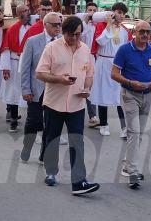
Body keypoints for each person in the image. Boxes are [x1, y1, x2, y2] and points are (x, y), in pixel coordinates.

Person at [35, 16, 100, 195]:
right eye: (72, 35)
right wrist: (59, 79)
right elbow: (40, 73)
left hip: (77, 103)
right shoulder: (52, 48)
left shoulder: (85, 49)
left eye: (78, 34)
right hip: (54, 103)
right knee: (52, 138)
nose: (75, 38)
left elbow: (89, 74)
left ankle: (79, 181)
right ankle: (51, 172)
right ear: (64, 32)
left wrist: (87, 88)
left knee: (77, 142)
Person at [111, 21, 151, 189]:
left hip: (148, 95)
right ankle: (133, 172)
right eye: (142, 32)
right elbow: (114, 73)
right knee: (134, 131)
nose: (146, 35)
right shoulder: (125, 50)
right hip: (130, 95)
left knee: (139, 133)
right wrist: (130, 82)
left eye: (148, 32)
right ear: (135, 32)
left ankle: (128, 164)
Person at [19, 11, 63, 162]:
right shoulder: (33, 41)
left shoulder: (63, 41)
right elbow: (25, 68)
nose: (58, 27)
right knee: (34, 121)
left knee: (51, 124)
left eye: (60, 24)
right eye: (55, 24)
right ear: (45, 25)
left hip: (55, 90)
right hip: (36, 89)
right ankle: (27, 147)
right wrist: (26, 89)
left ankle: (45, 153)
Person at [91, 2, 132, 137]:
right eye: (119, 12)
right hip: (103, 62)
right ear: (113, 13)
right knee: (103, 94)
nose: (121, 16)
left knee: (119, 96)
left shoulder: (125, 31)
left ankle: (124, 128)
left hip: (118, 65)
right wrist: (108, 25)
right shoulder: (101, 26)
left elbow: (128, 49)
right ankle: (103, 124)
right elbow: (100, 42)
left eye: (123, 13)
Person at [0, 5, 32, 130]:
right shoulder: (12, 29)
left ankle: (32, 120)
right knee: (14, 93)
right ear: (19, 14)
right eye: (25, 11)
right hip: (14, 63)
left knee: (31, 92)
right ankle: (13, 119)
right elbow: (5, 50)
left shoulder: (34, 28)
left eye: (28, 10)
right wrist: (6, 68)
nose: (28, 12)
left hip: (29, 64)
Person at [79, 2, 100, 128]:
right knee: (78, 84)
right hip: (81, 57)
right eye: (90, 10)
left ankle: (93, 116)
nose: (92, 12)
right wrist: (86, 21)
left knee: (90, 86)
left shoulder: (99, 25)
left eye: (94, 10)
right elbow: (80, 36)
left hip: (93, 57)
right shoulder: (82, 24)